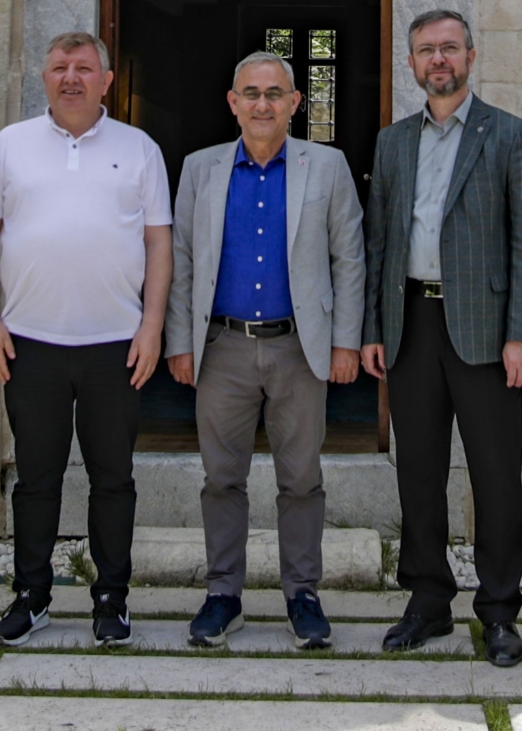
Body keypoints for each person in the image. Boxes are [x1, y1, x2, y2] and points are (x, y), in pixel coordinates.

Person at [0, 31, 172, 649]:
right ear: (44, 77)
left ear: (108, 80)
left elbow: (159, 241)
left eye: (85, 68)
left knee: (114, 478)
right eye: (60, 67)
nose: (72, 78)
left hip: (117, 346)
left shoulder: (139, 149)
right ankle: (31, 596)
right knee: (36, 477)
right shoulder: (10, 146)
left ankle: (112, 598)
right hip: (30, 343)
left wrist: (153, 324)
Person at [360, 9, 522, 665]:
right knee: (419, 471)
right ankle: (428, 601)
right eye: (424, 50)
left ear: (471, 55)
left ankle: (499, 610)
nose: (437, 60)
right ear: (410, 62)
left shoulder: (511, 135)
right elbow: (379, 240)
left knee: (496, 475)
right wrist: (372, 328)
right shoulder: (392, 142)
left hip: (488, 334)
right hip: (411, 324)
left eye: (448, 48)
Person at [166, 51, 366, 651]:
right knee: (221, 478)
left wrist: (345, 343)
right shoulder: (199, 168)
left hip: (299, 349)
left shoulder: (326, 166)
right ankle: (223, 594)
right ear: (232, 102)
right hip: (222, 346)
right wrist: (180, 342)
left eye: (274, 93)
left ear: (294, 102)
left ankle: (302, 594)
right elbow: (181, 260)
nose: (261, 103)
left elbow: (348, 259)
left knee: (301, 479)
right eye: (250, 93)